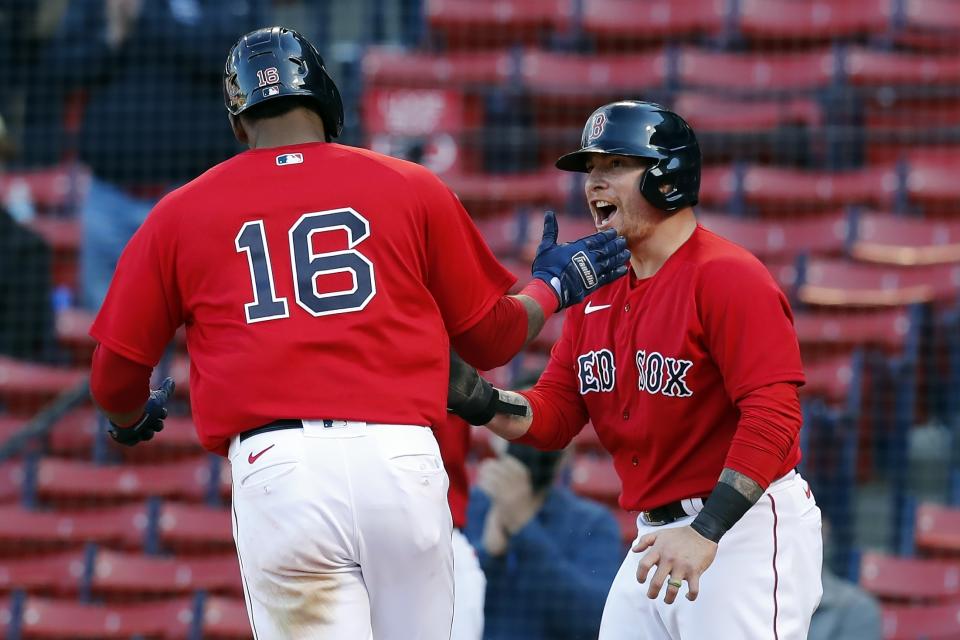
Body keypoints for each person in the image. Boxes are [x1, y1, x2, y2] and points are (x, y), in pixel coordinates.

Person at [87, 27, 629, 639]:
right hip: (402, 461)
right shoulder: (410, 184)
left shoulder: (180, 212)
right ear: (326, 103)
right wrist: (551, 288)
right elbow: (492, 341)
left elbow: (113, 376)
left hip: (280, 468)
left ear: (240, 124)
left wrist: (130, 416)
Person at [447, 100, 823, 639]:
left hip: (741, 526)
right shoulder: (596, 298)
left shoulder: (728, 277)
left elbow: (775, 414)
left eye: (614, 166)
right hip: (656, 535)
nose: (594, 182)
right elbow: (554, 415)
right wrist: (479, 400)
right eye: (590, 170)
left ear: (666, 176)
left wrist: (708, 531)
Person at [46, 0, 268, 310]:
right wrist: (114, 35)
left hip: (191, 196)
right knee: (107, 326)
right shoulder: (100, 5)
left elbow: (240, 62)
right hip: (109, 196)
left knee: (200, 314)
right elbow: (60, 70)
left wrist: (146, 16)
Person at [465, 436, 623, 640]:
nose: (530, 445)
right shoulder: (469, 508)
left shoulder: (593, 522)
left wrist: (524, 527)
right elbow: (441, 603)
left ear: (568, 452)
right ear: (496, 440)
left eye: (546, 435)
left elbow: (596, 620)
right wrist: (488, 551)